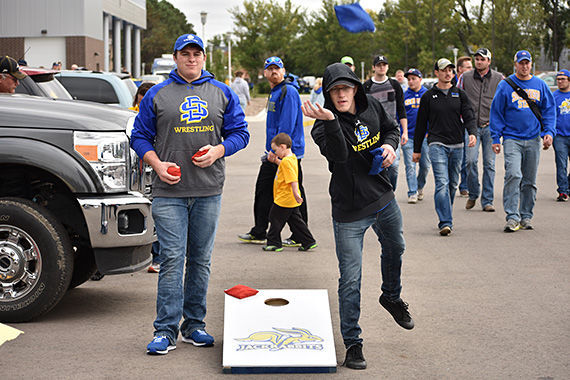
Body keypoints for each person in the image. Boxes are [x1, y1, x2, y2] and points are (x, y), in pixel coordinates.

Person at [130, 33, 249, 355]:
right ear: (176, 57)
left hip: (209, 189)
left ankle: (194, 325)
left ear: (204, 58)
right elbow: (139, 136)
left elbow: (241, 133)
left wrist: (219, 150)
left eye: (197, 54)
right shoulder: (157, 94)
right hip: (169, 192)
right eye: (186, 54)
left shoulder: (221, 92)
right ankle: (165, 330)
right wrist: (155, 162)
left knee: (200, 260)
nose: (191, 59)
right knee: (171, 259)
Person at [302, 62, 413, 371]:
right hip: (349, 210)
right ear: (328, 93)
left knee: (397, 248)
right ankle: (353, 343)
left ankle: (391, 296)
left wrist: (390, 148)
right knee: (350, 280)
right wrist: (331, 121)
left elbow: (391, 129)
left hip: (382, 197)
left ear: (355, 89)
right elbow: (339, 155)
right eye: (335, 90)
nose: (341, 95)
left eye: (346, 88)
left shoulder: (371, 105)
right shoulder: (322, 125)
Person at [238, 56, 307, 247]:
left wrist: (278, 153)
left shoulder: (288, 91)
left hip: (284, 153)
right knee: (268, 191)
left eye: (278, 68)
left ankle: (298, 235)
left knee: (291, 190)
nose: (274, 72)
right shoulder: (276, 91)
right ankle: (262, 229)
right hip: (275, 151)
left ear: (283, 71)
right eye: (271, 69)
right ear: (265, 73)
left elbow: (286, 126)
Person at [490, 50, 556, 232]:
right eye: (521, 63)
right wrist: (496, 137)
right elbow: (496, 112)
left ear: (531, 64)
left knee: (529, 180)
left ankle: (526, 215)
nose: (525, 66)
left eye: (527, 63)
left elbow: (549, 110)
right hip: (512, 138)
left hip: (533, 138)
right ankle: (512, 216)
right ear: (515, 64)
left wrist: (549, 132)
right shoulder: (505, 85)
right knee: (513, 174)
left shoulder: (540, 85)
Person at [413, 58, 477, 236]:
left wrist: (472, 132)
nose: (448, 73)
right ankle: (445, 222)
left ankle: (445, 213)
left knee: (452, 184)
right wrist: (417, 150)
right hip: (436, 143)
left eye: (450, 70)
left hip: (457, 144)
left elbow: (469, 116)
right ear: (436, 73)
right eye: (443, 70)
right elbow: (420, 125)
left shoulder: (460, 94)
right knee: (442, 182)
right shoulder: (428, 96)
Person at [459, 48, 503, 212]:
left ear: (489, 61)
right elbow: (458, 97)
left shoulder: (499, 79)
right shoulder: (465, 77)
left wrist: (501, 127)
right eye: (477, 59)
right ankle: (473, 193)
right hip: (471, 127)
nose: (479, 61)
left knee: (490, 164)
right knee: (470, 161)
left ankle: (487, 200)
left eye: (482, 59)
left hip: (491, 127)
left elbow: (504, 103)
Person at [263, 133, 317, 252]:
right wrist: (276, 161)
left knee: (274, 218)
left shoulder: (287, 161)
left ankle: (274, 243)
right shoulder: (291, 158)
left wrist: (296, 193)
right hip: (289, 198)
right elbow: (285, 167)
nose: (275, 152)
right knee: (296, 221)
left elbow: (293, 179)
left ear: (282, 147)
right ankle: (308, 241)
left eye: (276, 150)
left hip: (285, 198)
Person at [128, 82, 162, 273]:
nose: (142, 107)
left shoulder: (159, 115)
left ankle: (157, 258)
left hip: (153, 171)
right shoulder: (128, 115)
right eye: (140, 103)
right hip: (133, 173)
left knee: (155, 217)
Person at [363, 54, 408, 191]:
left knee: (393, 166)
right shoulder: (367, 86)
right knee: (374, 165)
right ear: (373, 68)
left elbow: (401, 109)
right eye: (378, 65)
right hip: (373, 132)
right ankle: (379, 193)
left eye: (384, 65)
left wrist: (404, 132)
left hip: (391, 131)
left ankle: (390, 191)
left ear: (387, 67)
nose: (381, 67)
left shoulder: (395, 85)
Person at [402, 68, 430, 203]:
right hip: (409, 136)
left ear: (420, 79)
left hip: (424, 136)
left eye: (413, 79)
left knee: (425, 166)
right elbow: (399, 116)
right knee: (410, 165)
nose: (411, 81)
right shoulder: (404, 95)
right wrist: (403, 132)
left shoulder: (427, 94)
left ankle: (419, 187)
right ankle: (412, 192)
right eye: (409, 79)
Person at [456, 56, 474, 197]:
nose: (471, 69)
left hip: (467, 122)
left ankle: (465, 185)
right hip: (455, 123)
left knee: (468, 157)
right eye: (468, 67)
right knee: (458, 156)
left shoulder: (471, 81)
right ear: (460, 69)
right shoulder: (452, 82)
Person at [553, 69, 570, 201]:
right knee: (561, 164)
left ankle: (567, 185)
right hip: (559, 136)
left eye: (563, 79)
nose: (560, 82)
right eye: (558, 79)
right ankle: (563, 191)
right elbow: (549, 116)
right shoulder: (554, 97)